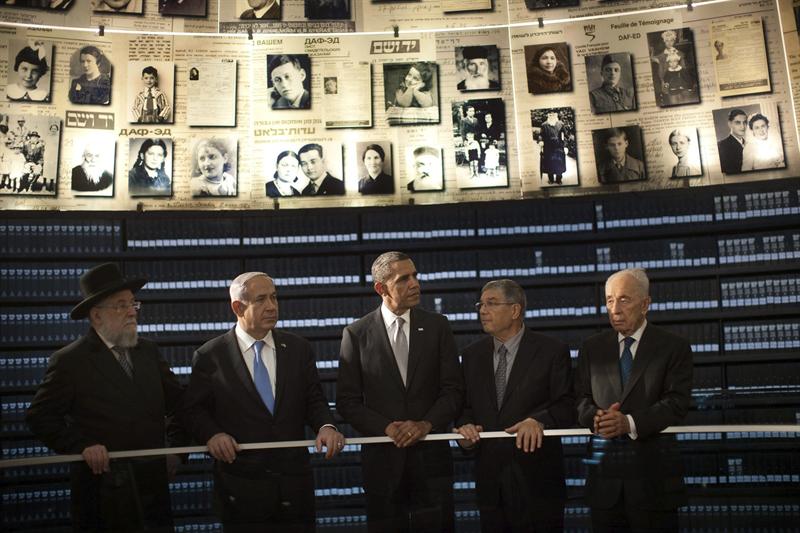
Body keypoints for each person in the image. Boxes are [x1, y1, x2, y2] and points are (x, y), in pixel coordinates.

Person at [26, 263, 184, 532]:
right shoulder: (70, 361)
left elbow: (180, 405)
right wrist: (82, 446)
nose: (132, 312)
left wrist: (176, 450)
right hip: (102, 491)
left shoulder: (148, 351)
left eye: (133, 304)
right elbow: (39, 417)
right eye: (121, 305)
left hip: (152, 488)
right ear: (96, 316)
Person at [181, 272, 345, 531]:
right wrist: (212, 434)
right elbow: (194, 411)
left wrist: (326, 426)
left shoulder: (299, 348)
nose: (272, 306)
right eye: (261, 299)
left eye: (274, 297)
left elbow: (314, 400)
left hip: (294, 486)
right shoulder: (210, 355)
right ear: (238, 307)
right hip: (242, 487)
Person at [337, 251, 464, 533]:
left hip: (432, 462)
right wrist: (386, 428)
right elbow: (347, 402)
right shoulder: (356, 334)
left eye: (415, 276)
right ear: (381, 288)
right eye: (404, 279)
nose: (415, 284)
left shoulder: (437, 326)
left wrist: (425, 424)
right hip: (383, 464)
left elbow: (453, 390)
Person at [575, 268, 693, 531]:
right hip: (605, 484)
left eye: (624, 300)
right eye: (609, 300)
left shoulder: (674, 347)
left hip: (654, 484)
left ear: (645, 304)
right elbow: (580, 399)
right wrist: (596, 418)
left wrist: (628, 423)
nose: (614, 309)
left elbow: (676, 403)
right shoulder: (591, 348)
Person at [456, 279, 574, 532]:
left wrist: (539, 420)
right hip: (490, 484)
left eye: (491, 303)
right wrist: (464, 429)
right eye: (481, 304)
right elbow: (464, 407)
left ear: (515, 310)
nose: (482, 310)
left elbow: (567, 405)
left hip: (539, 481)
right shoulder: (471, 355)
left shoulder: (552, 350)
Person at [538, 110, 567, 184]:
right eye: (550, 114)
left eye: (553, 114)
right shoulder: (544, 125)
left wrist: (565, 146)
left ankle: (558, 180)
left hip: (559, 147)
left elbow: (565, 136)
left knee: (559, 164)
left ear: (556, 115)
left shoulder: (561, 124)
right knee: (549, 164)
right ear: (548, 115)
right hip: (548, 148)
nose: (551, 115)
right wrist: (541, 141)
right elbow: (541, 135)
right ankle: (550, 179)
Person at [717, 108, 747, 174]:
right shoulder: (722, 146)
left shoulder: (748, 144)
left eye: (744, 122)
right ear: (730, 124)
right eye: (738, 123)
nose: (743, 127)